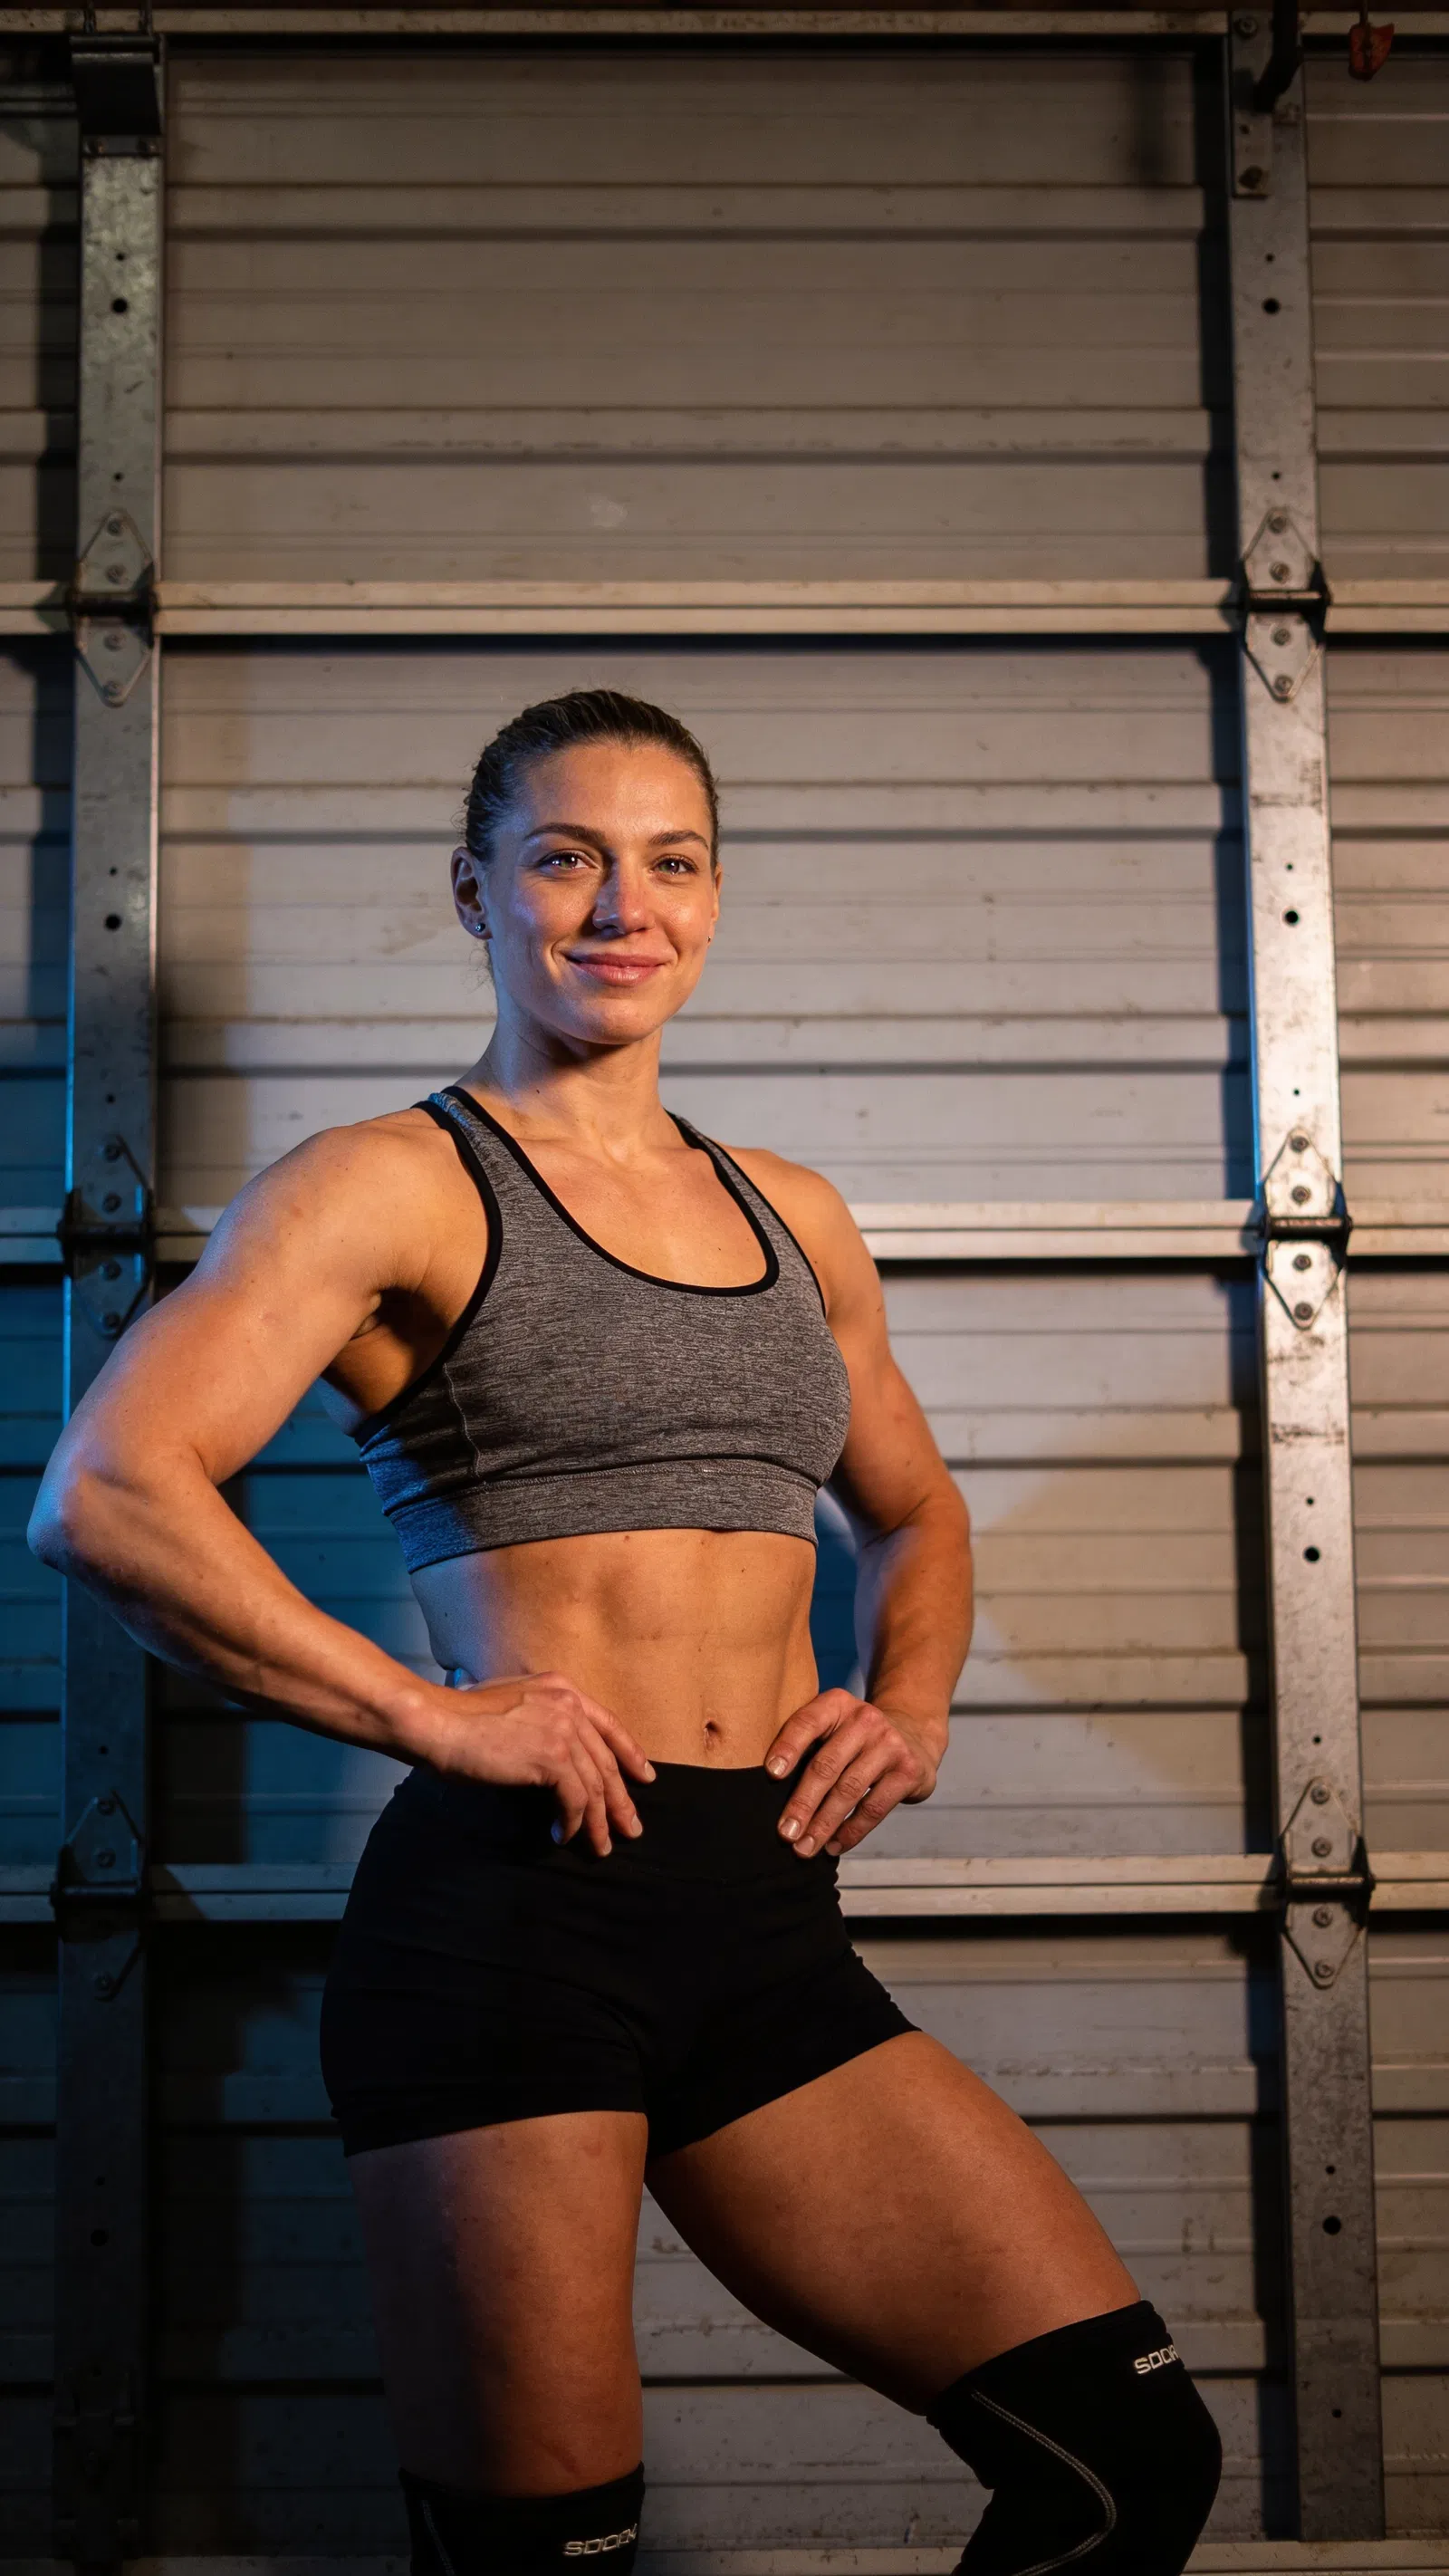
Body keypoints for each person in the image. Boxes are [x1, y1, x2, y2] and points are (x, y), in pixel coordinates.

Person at [31, 688, 1222, 2576]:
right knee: (543, 2563)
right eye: (564, 857)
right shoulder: (388, 1184)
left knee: (1119, 2464)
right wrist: (431, 1718)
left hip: (756, 1919)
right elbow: (105, 1494)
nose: (617, 905)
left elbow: (911, 1512)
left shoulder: (793, 1216)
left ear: (712, 898)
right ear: (476, 891)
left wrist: (903, 1702)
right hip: (515, 1920)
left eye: (665, 862)